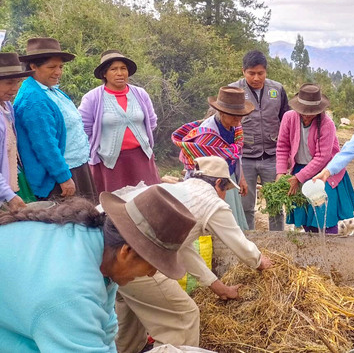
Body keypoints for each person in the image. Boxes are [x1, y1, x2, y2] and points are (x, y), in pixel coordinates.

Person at [0, 186, 196, 352]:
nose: (152, 273)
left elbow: (106, 326)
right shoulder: (70, 294)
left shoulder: (93, 244)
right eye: (153, 264)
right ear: (126, 252)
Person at [111, 156, 273, 352]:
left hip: (110, 249)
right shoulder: (210, 201)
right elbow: (238, 242)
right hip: (135, 258)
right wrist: (259, 261)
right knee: (184, 317)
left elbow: (182, 249)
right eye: (225, 190)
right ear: (219, 182)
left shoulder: (182, 192)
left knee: (131, 320)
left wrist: (217, 286)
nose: (224, 196)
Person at [13, 37, 97, 202]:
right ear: (33, 66)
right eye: (51, 67)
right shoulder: (33, 100)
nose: (58, 72)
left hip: (75, 166)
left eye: (60, 66)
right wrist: (63, 177)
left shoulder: (51, 91)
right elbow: (45, 144)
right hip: (58, 176)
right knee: (71, 222)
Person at [276, 83, 354, 234]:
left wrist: (299, 178)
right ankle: (312, 247)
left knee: (323, 217)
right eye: (303, 112)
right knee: (305, 215)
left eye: (311, 112)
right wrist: (281, 173)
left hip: (325, 172)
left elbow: (322, 157)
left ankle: (328, 250)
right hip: (300, 169)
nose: (307, 115)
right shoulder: (289, 118)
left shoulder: (327, 124)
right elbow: (282, 146)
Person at [78, 50, 160, 193]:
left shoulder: (140, 94)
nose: (120, 73)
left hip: (140, 158)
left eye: (123, 69)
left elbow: (151, 122)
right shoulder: (92, 98)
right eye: (113, 69)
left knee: (148, 201)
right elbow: (84, 129)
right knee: (115, 204)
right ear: (104, 73)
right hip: (110, 162)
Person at [172, 86, 252, 230]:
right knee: (216, 222)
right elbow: (199, 170)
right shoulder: (207, 135)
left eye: (240, 114)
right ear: (222, 112)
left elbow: (234, 155)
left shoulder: (235, 127)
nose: (238, 118)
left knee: (231, 220)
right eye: (234, 114)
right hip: (209, 184)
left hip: (228, 178)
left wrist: (241, 178)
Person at [230, 50, 290, 230]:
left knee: (275, 205)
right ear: (243, 71)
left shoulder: (277, 90)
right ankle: (248, 244)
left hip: (272, 157)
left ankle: (277, 243)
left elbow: (286, 122)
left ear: (266, 71)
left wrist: (287, 158)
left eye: (260, 73)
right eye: (251, 73)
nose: (256, 78)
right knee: (245, 206)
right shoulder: (233, 91)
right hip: (244, 158)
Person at [0, 52, 33, 210]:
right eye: (9, 83)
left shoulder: (7, 107)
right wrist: (8, 195)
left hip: (13, 178)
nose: (15, 89)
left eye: (18, 82)